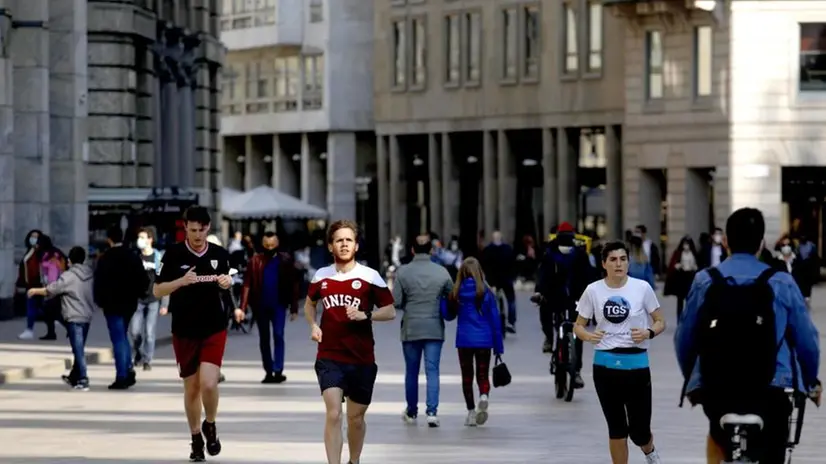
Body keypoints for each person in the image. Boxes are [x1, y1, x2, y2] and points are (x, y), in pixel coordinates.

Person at [675, 208, 821, 464]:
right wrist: (811, 382)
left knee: (717, 432)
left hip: (718, 384)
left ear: (727, 242)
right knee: (776, 440)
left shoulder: (705, 280)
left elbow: (684, 338)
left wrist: (693, 379)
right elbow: (807, 339)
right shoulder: (781, 282)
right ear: (762, 243)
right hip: (773, 384)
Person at [153, 206, 243, 462]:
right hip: (184, 330)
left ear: (207, 228)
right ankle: (195, 438)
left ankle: (210, 424)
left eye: (201, 230)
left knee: (209, 383)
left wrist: (226, 283)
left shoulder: (219, 254)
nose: (196, 235)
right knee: (191, 388)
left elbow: (227, 284)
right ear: (185, 228)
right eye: (191, 230)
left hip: (214, 327)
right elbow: (157, 291)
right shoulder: (172, 253)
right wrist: (181, 281)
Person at [304, 220, 395, 464]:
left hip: (361, 358)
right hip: (329, 356)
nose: (344, 244)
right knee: (333, 414)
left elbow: (390, 310)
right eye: (339, 240)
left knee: (355, 419)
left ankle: (353, 461)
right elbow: (309, 304)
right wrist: (313, 324)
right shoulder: (321, 276)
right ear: (331, 246)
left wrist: (366, 315)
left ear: (355, 246)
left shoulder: (370, 276)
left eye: (348, 240)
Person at [573, 240, 665, 464]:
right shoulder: (593, 290)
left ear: (628, 262)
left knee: (640, 431)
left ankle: (650, 451)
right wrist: (587, 336)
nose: (618, 264)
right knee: (616, 428)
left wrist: (648, 333)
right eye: (613, 260)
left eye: (623, 259)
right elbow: (578, 325)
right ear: (604, 264)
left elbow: (660, 321)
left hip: (637, 366)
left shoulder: (642, 288)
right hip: (605, 367)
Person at [394, 235, 453, 427]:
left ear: (412, 250)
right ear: (431, 250)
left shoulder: (403, 272)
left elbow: (396, 301)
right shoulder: (442, 272)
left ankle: (411, 411)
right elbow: (451, 296)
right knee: (432, 370)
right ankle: (432, 412)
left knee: (411, 371)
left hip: (411, 327)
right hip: (434, 327)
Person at [442, 257, 504, 427]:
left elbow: (448, 315)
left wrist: (442, 300)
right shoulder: (486, 292)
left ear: (461, 272)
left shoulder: (456, 292)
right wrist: (498, 346)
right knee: (483, 374)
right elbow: (495, 320)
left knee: (467, 377)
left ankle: (470, 413)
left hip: (464, 340)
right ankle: (484, 395)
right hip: (484, 340)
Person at [533, 222, 593, 387]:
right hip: (554, 296)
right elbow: (542, 274)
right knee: (546, 311)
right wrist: (539, 293)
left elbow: (587, 276)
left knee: (578, 332)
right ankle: (549, 337)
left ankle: (577, 370)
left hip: (574, 297)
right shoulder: (549, 253)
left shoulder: (580, 255)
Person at [27, 246, 97, 390]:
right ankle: (74, 377)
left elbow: (51, 289)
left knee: (78, 350)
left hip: (74, 317)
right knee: (80, 347)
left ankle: (83, 379)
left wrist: (35, 291)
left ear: (69, 260)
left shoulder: (68, 276)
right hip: (87, 316)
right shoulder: (90, 274)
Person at [239, 231, 300, 384]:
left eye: (272, 245)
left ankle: (278, 370)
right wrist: (242, 307)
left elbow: (294, 284)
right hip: (260, 306)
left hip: (279, 304)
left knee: (279, 335)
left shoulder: (285, 260)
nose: (269, 247)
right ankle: (268, 371)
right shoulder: (255, 261)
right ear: (262, 244)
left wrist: (294, 308)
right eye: (267, 245)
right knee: (264, 339)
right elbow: (247, 284)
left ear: (277, 244)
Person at [93, 226, 149, 390]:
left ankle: (122, 375)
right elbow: (143, 279)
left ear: (109, 239)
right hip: (129, 303)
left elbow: (98, 282)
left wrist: (100, 301)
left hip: (112, 305)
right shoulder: (132, 256)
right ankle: (128, 368)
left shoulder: (105, 258)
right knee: (122, 336)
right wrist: (140, 294)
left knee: (118, 339)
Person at [130, 227, 169, 371]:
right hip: (138, 300)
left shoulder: (158, 258)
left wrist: (165, 304)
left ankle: (147, 360)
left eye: (143, 237)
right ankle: (138, 353)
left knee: (150, 333)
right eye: (138, 237)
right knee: (135, 332)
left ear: (150, 239)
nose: (139, 240)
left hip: (153, 300)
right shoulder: (135, 257)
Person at [481, 230, 517, 333]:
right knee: (511, 301)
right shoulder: (507, 249)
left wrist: (486, 279)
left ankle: (489, 320)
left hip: (493, 281)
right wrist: (513, 277)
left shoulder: (488, 250)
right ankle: (511, 322)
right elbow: (513, 264)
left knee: (489, 300)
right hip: (506, 279)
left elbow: (484, 266)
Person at [663, 235, 699, 322]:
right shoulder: (678, 253)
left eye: (688, 244)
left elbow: (697, 265)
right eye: (685, 244)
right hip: (681, 277)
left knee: (689, 299)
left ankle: (688, 318)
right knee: (680, 300)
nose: (686, 246)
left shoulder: (693, 253)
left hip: (690, 277)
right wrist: (677, 266)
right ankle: (679, 319)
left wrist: (695, 267)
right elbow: (673, 264)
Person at [17, 229, 45, 339]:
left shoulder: (40, 252)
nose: (32, 239)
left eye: (36, 237)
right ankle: (29, 330)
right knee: (32, 306)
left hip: (39, 284)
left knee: (39, 307)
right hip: (31, 284)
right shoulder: (30, 250)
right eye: (31, 236)